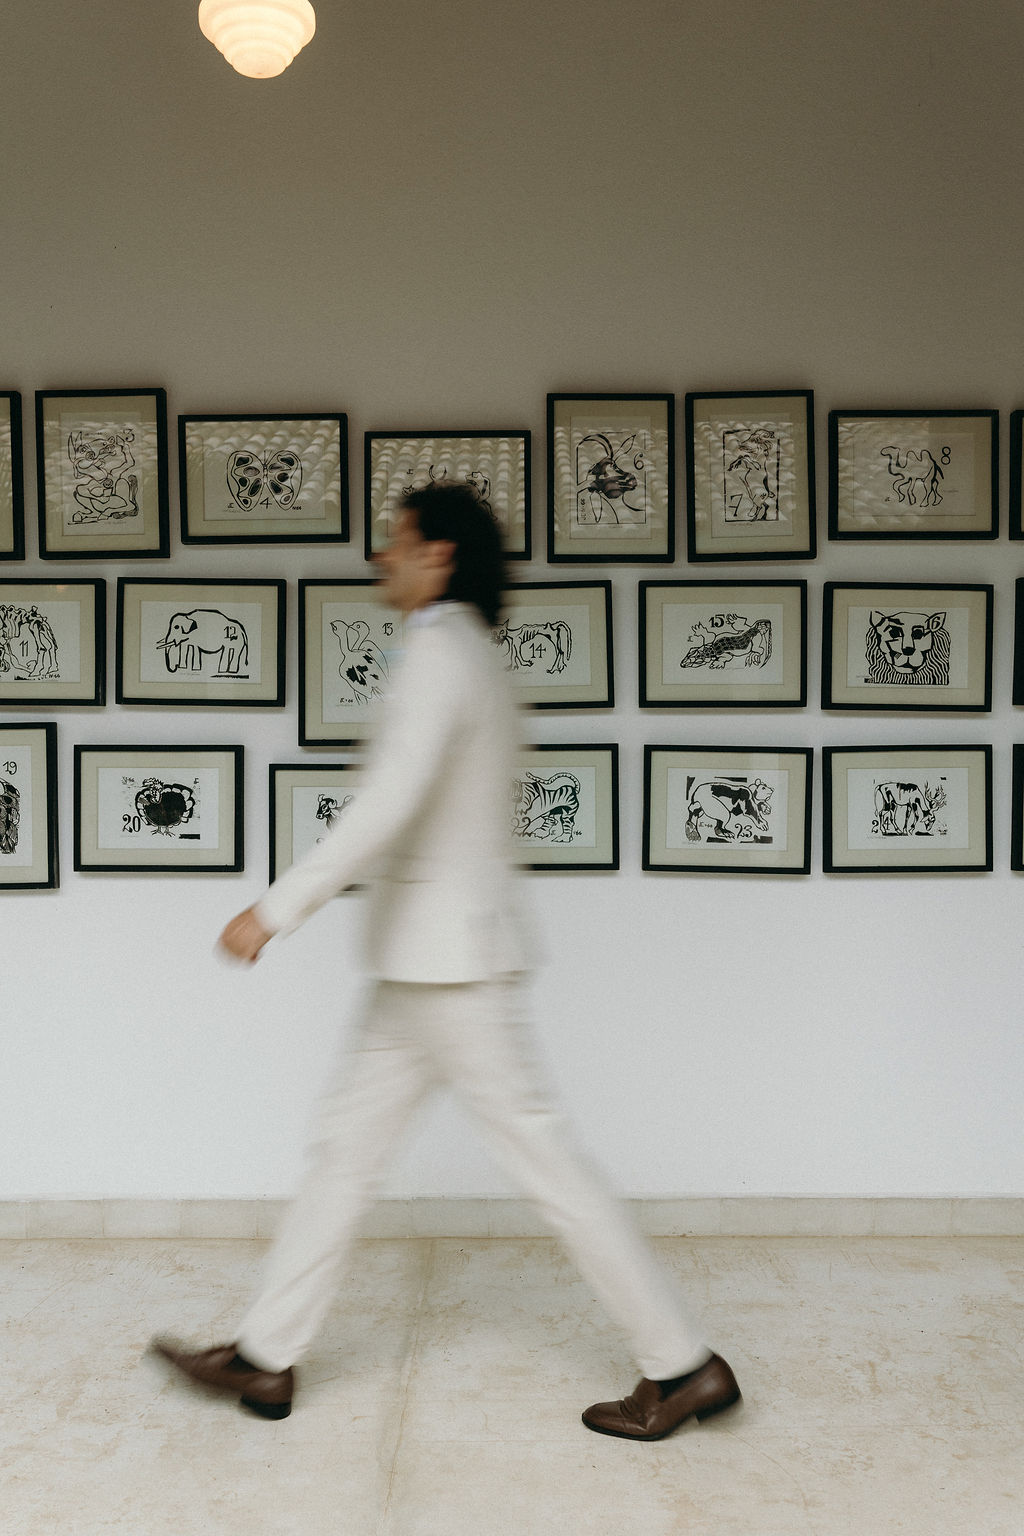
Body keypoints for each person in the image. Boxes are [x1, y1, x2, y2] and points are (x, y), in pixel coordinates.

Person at [152, 481, 741, 1439]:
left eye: (396, 539)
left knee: (545, 1167)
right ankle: (266, 1356)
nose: (380, 556)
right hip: (431, 959)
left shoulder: (438, 652)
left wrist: (274, 910)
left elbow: (388, 803)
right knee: (345, 1154)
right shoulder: (471, 653)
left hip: (449, 966)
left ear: (439, 555)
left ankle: (682, 1366)